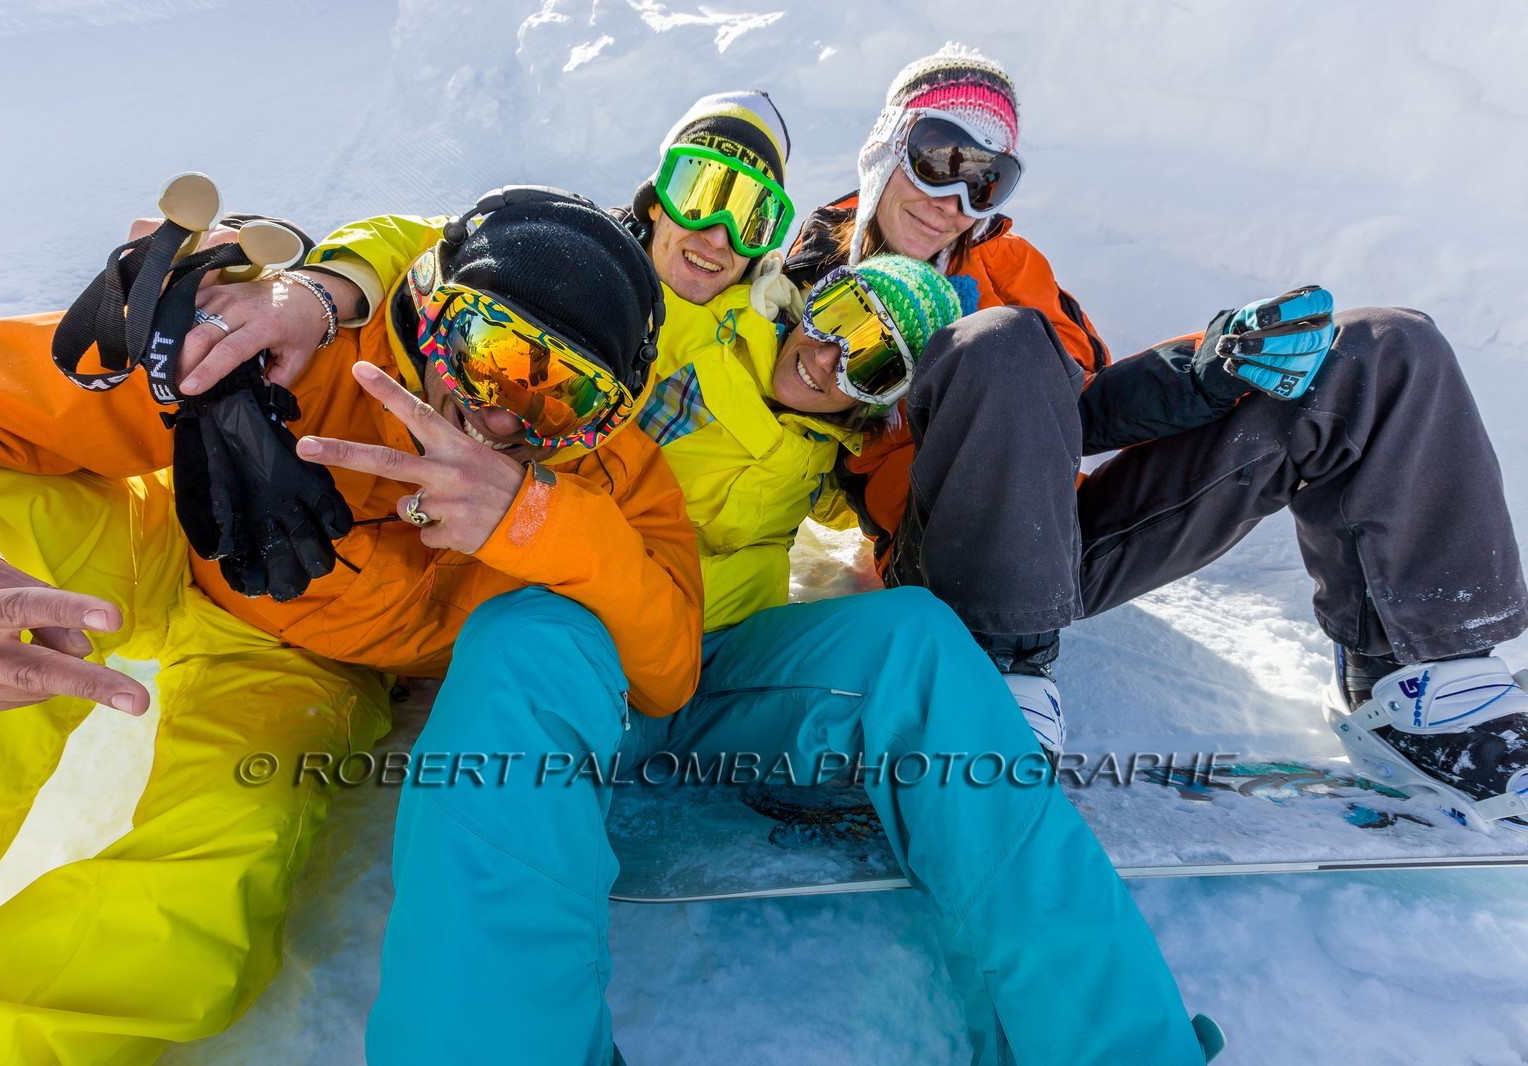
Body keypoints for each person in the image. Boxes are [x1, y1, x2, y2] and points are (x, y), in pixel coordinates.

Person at [232, 98, 1220, 1060]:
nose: (835, 354)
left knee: (916, 634)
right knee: (524, 636)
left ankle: (1115, 1041)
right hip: (563, 662)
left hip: (714, 676)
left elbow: (943, 490)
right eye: (838, 318)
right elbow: (462, 243)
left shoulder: (832, 441)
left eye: (875, 358)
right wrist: (327, 280)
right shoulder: (669, 307)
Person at [0, 189, 703, 1063]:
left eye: (560, 399)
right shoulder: (289, 344)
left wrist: (530, 518)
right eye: (489, 356)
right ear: (428, 314)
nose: (500, 418)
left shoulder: (602, 475)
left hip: (304, 673)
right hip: (156, 538)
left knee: (192, 922)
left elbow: (668, 667)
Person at [784, 43, 1528, 830]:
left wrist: (1210, 365)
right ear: (885, 149)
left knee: (1385, 349)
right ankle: (996, 684)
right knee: (997, 342)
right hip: (943, 568)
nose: (951, 199)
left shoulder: (1006, 262)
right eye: (937, 158)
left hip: (1057, 544)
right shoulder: (799, 288)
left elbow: (1076, 410)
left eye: (985, 180)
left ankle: (1419, 679)